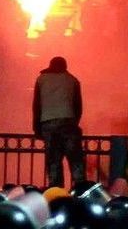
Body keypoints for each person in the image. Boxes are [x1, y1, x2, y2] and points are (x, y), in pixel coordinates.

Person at [32, 57, 85, 188]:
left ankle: (56, 191)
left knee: (53, 160)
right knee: (75, 160)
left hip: (48, 124)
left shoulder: (41, 80)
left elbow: (37, 106)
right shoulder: (73, 80)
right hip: (69, 123)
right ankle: (79, 190)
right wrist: (74, 123)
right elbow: (78, 106)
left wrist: (37, 129)